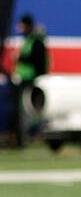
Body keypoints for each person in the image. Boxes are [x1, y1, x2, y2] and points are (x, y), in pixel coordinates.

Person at [11, 13, 48, 146]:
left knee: (30, 109)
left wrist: (19, 59)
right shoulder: (30, 39)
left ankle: (30, 136)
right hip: (27, 79)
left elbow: (37, 60)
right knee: (27, 110)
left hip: (31, 80)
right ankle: (27, 136)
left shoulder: (35, 41)